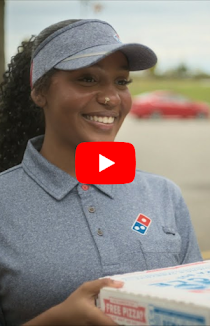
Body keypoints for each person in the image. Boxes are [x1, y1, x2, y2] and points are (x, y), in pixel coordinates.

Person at [0, 18, 202, 326]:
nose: (111, 98)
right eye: (87, 79)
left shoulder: (164, 195)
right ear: (39, 93)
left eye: (121, 82)